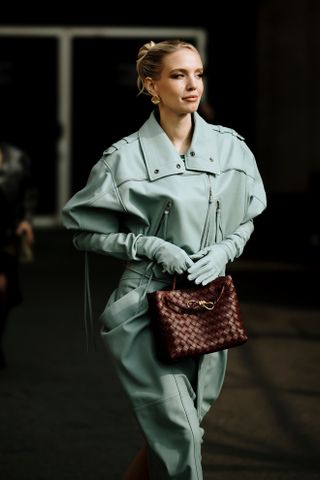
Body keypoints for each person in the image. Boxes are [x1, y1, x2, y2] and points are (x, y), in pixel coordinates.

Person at [62, 39, 267, 479]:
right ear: (151, 86)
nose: (192, 85)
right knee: (179, 433)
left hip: (208, 304)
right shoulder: (123, 159)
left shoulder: (232, 149)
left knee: (183, 430)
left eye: (198, 74)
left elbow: (247, 218)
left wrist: (226, 250)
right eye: (178, 75)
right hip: (143, 306)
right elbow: (82, 230)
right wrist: (147, 246)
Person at [0, 141, 36, 369]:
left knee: (4, 291)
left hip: (5, 235)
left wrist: (26, 221)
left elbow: (29, 192)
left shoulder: (15, 158)